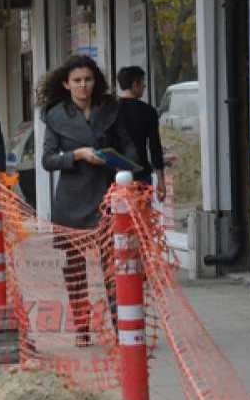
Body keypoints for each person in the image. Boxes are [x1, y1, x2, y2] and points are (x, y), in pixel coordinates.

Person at [38, 55, 137, 346]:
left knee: (113, 264)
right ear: (67, 84)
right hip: (71, 202)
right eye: (77, 81)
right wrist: (78, 155)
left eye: (88, 79)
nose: (83, 86)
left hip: (107, 195)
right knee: (75, 268)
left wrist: (127, 165)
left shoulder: (110, 109)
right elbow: (47, 159)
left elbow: (128, 144)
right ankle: (82, 327)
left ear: (96, 81)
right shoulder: (55, 115)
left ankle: (121, 324)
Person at [116, 66, 166, 201]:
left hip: (115, 176)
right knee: (141, 218)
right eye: (142, 82)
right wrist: (161, 180)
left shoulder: (110, 110)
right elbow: (155, 147)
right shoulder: (148, 111)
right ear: (134, 84)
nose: (144, 86)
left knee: (119, 220)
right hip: (141, 174)